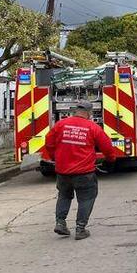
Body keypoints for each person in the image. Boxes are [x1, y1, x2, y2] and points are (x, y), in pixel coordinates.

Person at [44, 101, 118, 240]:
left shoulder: (60, 125)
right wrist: (110, 160)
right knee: (87, 198)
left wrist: (55, 157)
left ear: (75, 111)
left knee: (64, 195)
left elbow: (49, 143)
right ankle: (80, 228)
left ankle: (60, 223)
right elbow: (107, 147)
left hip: (63, 171)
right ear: (89, 113)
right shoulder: (93, 127)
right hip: (84, 172)